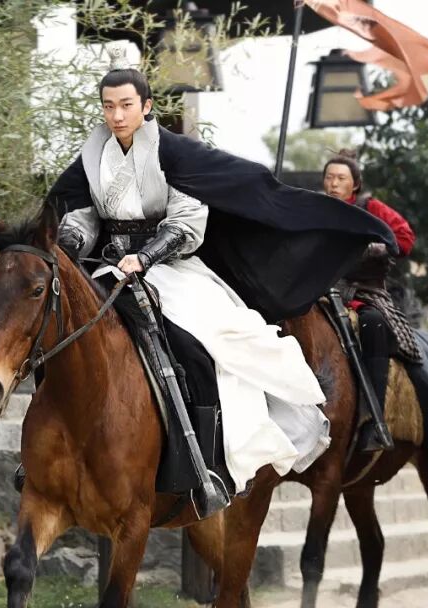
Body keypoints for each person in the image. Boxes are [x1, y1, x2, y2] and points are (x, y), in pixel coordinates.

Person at [36, 48, 398, 494]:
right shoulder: (94, 155)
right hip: (108, 268)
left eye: (126, 105)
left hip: (170, 269)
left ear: (146, 106)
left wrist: (146, 257)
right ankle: (45, 452)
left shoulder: (175, 153)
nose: (117, 115)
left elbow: (188, 220)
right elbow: (82, 212)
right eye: (109, 106)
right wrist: (70, 242)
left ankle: (203, 463)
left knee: (200, 347)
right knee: (57, 333)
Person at [322, 149, 419, 446]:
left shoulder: (372, 208)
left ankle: (373, 419)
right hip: (319, 291)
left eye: (341, 178)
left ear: (355, 184)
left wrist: (372, 247)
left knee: (374, 323)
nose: (334, 184)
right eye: (329, 177)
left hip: (365, 293)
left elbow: (404, 240)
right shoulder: (314, 207)